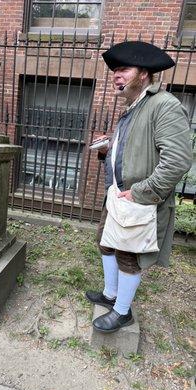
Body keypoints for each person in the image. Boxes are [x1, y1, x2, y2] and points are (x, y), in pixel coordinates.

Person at [86, 41, 193, 333]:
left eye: (124, 69)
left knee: (128, 256)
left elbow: (178, 160)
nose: (116, 75)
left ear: (143, 74)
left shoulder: (164, 105)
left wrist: (141, 192)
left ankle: (122, 312)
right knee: (106, 243)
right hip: (118, 196)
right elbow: (137, 148)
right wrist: (109, 147)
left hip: (138, 199)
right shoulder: (134, 107)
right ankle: (110, 294)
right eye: (115, 71)